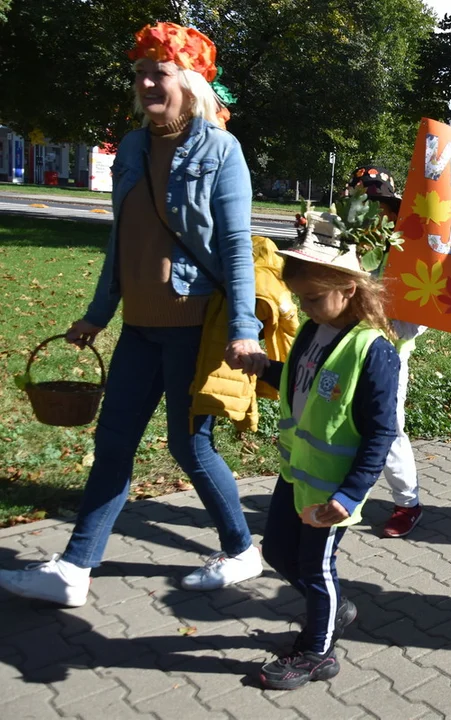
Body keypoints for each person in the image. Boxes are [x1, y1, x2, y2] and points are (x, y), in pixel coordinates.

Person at [0, 22, 265, 607]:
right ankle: (74, 569)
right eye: (140, 72)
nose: (146, 82)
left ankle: (243, 549)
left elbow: (236, 248)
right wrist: (99, 312)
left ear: (188, 81)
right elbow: (124, 238)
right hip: (140, 326)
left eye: (159, 72)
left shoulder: (220, 150)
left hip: (194, 326)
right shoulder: (135, 146)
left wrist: (244, 329)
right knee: (115, 440)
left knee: (189, 446)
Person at [257, 212, 399, 690]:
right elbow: (303, 386)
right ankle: (335, 608)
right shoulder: (313, 332)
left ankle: (318, 653)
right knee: (278, 552)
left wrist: (351, 494)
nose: (308, 308)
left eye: (315, 299)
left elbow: (382, 432)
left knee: (317, 570)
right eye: (302, 299)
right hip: (297, 472)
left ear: (350, 288)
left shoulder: (372, 349)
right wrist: (262, 365)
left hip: (331, 489)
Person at [348, 166, 424, 537]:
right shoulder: (357, 240)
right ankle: (344, 497)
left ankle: (407, 503)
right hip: (347, 348)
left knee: (388, 428)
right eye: (365, 203)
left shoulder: (412, 245)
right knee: (343, 424)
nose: (373, 213)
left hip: (387, 354)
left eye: (379, 204)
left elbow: (421, 311)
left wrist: (385, 323)